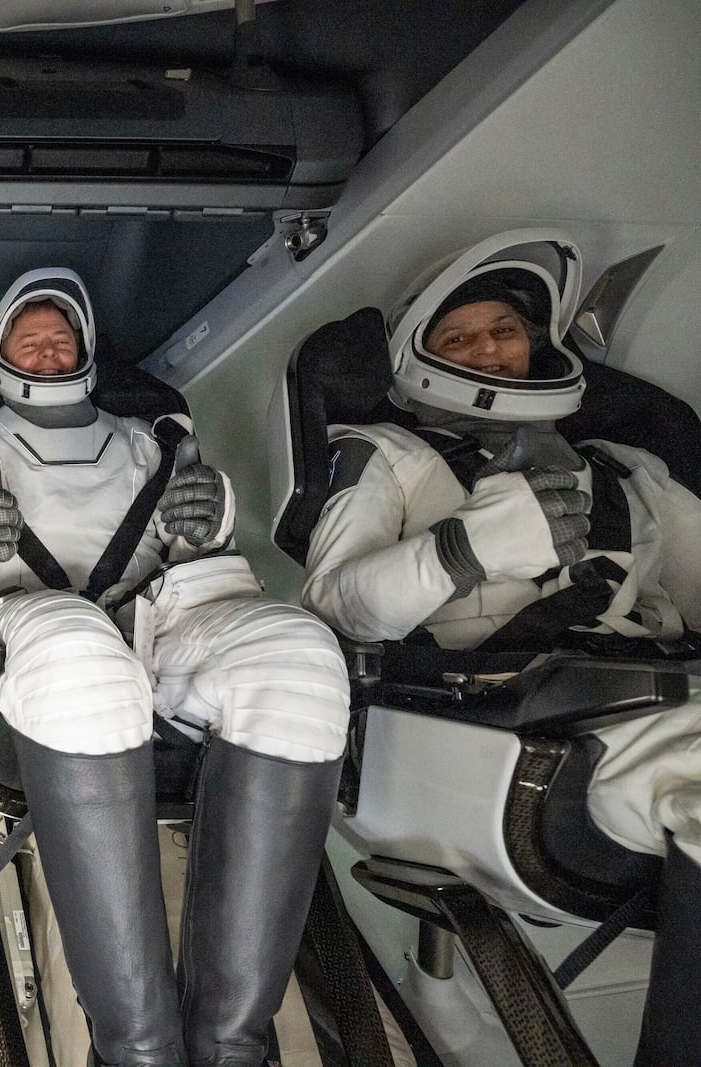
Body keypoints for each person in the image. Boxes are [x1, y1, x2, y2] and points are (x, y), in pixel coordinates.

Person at [0, 268, 350, 1067]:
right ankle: (137, 1048)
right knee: (83, 650)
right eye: (28, 338)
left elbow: (194, 558)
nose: (46, 349)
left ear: (86, 349)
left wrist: (210, 523)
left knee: (298, 654)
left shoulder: (153, 443)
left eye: (60, 336)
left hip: (156, 629)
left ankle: (229, 1044)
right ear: (1, 356)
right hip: (25, 637)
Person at [300, 230, 701, 1065]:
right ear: (419, 358)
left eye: (506, 329)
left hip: (653, 698)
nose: (490, 348)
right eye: (460, 336)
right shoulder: (388, 456)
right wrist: (460, 551)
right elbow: (336, 601)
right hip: (513, 732)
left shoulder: (628, 470)